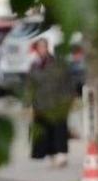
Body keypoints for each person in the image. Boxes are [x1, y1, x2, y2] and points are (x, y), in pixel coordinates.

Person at [26, 38, 73, 168]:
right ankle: (52, 155)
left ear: (47, 48)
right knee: (46, 132)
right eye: (39, 48)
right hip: (40, 105)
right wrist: (28, 103)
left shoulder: (57, 64)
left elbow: (67, 83)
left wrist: (67, 100)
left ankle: (61, 154)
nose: (42, 50)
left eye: (44, 47)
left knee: (59, 130)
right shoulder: (34, 66)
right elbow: (30, 85)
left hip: (57, 103)